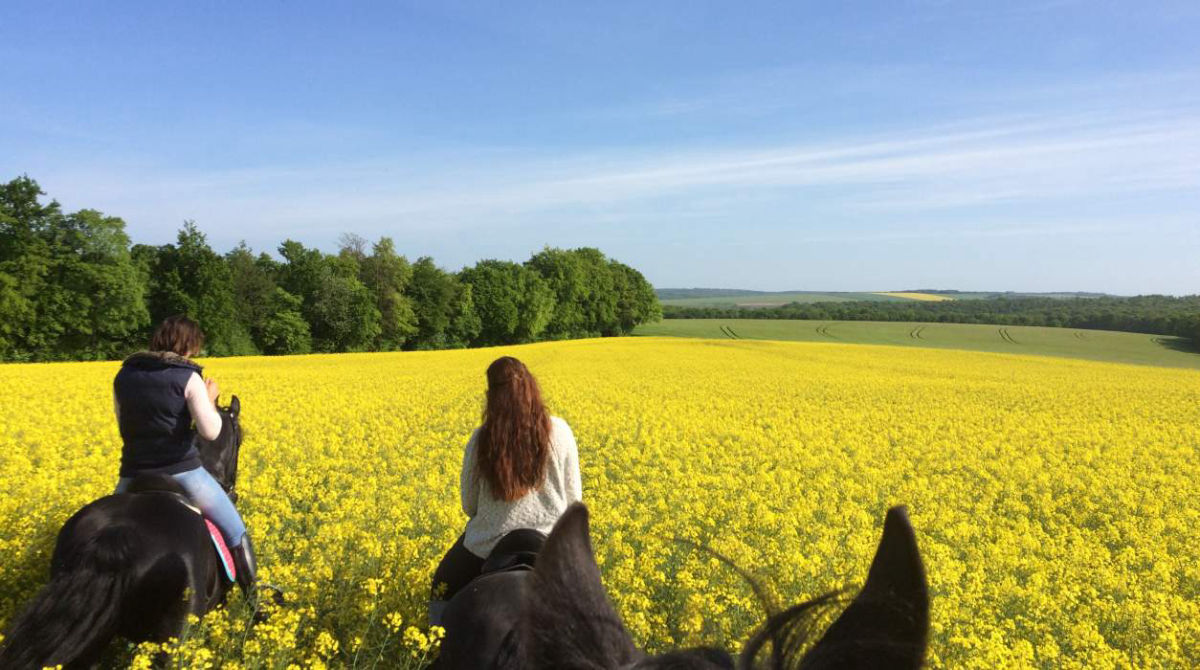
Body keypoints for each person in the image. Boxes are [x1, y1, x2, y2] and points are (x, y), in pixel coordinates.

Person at [112, 315, 260, 597]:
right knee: (236, 532)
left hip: (132, 475)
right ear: (189, 345)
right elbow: (211, 432)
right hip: (182, 472)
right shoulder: (188, 377)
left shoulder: (124, 375)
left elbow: (123, 425)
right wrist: (210, 400)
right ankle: (255, 599)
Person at [429, 356, 583, 625]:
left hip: (488, 544)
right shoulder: (560, 431)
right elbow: (575, 499)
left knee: (441, 586)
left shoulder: (481, 439)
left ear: (492, 395)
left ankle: (434, 649)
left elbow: (469, 504)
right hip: (551, 542)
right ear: (531, 386)